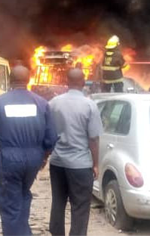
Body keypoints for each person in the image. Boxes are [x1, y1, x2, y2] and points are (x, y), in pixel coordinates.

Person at [0, 65, 57, 236]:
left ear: (10, 80)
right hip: (34, 159)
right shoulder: (42, 103)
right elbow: (51, 137)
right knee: (23, 195)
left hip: (10, 158)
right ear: (28, 80)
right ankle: (23, 231)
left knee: (9, 203)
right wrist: (43, 156)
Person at [48, 68, 102, 236]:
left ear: (67, 81)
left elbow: (48, 132)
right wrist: (95, 164)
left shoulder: (53, 103)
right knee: (80, 206)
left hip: (57, 163)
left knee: (58, 202)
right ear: (83, 82)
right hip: (80, 165)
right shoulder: (89, 105)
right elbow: (93, 138)